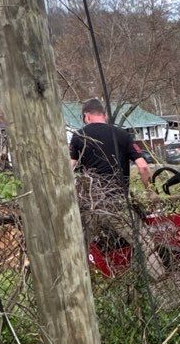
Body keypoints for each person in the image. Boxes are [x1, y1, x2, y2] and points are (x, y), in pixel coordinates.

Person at [69, 102, 164, 277]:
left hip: (91, 205)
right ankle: (159, 280)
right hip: (118, 203)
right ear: (104, 115)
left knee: (78, 247)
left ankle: (80, 282)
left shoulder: (78, 136)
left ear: (86, 116)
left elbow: (69, 169)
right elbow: (143, 167)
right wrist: (150, 190)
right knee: (144, 243)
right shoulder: (123, 135)